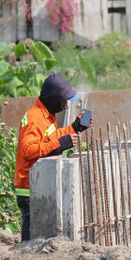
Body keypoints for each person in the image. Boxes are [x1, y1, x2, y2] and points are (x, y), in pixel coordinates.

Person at [14, 73, 93, 242]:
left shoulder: (47, 116)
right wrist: (59, 144)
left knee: (40, 233)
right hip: (29, 187)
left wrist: (74, 128)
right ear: (53, 99)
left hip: (40, 183)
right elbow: (28, 150)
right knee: (31, 235)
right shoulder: (34, 118)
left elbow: (50, 137)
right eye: (63, 101)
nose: (65, 105)